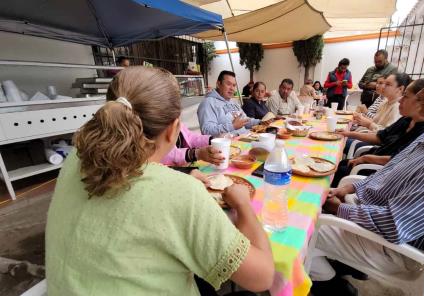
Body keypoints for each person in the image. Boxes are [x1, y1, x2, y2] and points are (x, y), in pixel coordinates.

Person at [45, 66, 274, 295]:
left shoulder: (74, 160)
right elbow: (262, 278)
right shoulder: (180, 193)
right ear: (174, 129)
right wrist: (243, 204)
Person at [309, 47, 424, 295]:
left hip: (391, 247)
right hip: (371, 214)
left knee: (292, 228)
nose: (422, 94)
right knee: (306, 199)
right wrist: (350, 187)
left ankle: (329, 284)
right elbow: (391, 172)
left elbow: (395, 225)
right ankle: (330, 268)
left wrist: (335, 208)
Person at [331, 78, 424, 187]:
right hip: (373, 156)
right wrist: (348, 133)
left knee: (339, 169)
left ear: (422, 100)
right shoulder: (406, 119)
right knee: (339, 163)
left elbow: (401, 159)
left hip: (382, 171)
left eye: (406, 96)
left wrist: (366, 158)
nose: (400, 100)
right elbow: (380, 137)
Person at [197, 71, 262, 137]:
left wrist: (260, 122)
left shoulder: (233, 102)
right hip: (228, 144)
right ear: (218, 84)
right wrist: (232, 126)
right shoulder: (208, 103)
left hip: (246, 137)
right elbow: (206, 130)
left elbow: (245, 121)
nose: (232, 88)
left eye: (234, 85)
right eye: (228, 84)